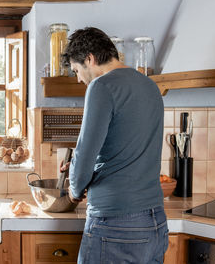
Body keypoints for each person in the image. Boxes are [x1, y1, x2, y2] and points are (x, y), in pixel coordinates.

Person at [60, 27, 168, 263]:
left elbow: (85, 152)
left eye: (77, 70)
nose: (78, 78)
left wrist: (75, 189)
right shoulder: (149, 86)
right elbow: (126, 148)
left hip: (116, 223)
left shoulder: (101, 87)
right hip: (155, 222)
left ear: (90, 58)